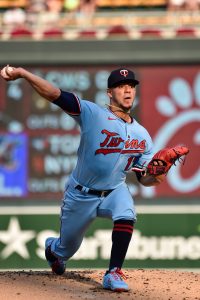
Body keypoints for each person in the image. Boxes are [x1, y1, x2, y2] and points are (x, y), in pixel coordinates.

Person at [0, 65, 165, 292]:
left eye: (131, 86)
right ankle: (54, 250)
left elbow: (144, 180)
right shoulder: (93, 114)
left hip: (115, 190)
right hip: (81, 193)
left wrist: (157, 175)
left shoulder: (143, 136)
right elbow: (54, 94)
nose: (127, 91)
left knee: (126, 214)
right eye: (120, 86)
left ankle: (113, 272)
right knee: (64, 252)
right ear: (109, 92)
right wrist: (24, 74)